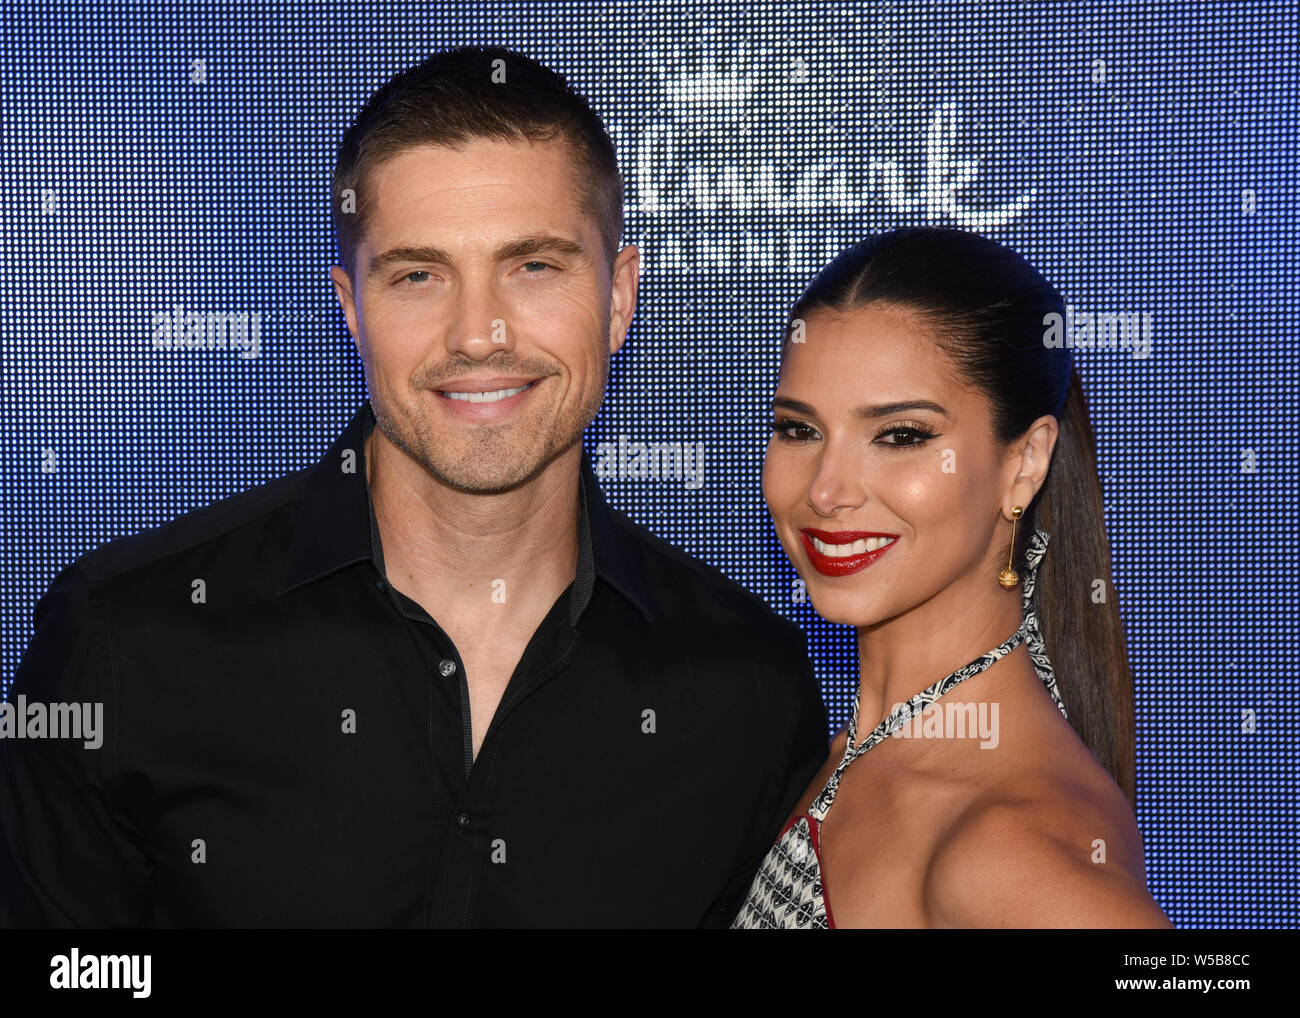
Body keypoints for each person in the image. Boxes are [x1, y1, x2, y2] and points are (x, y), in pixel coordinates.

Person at [0, 45, 828, 928]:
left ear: (618, 296)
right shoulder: (126, 639)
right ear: (351, 308)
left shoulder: (748, 690)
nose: (478, 334)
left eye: (534, 266)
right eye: (418, 276)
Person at [732, 227, 1172, 929]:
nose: (826, 490)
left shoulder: (1005, 845)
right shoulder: (861, 752)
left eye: (901, 435)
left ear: (1024, 463)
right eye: (799, 429)